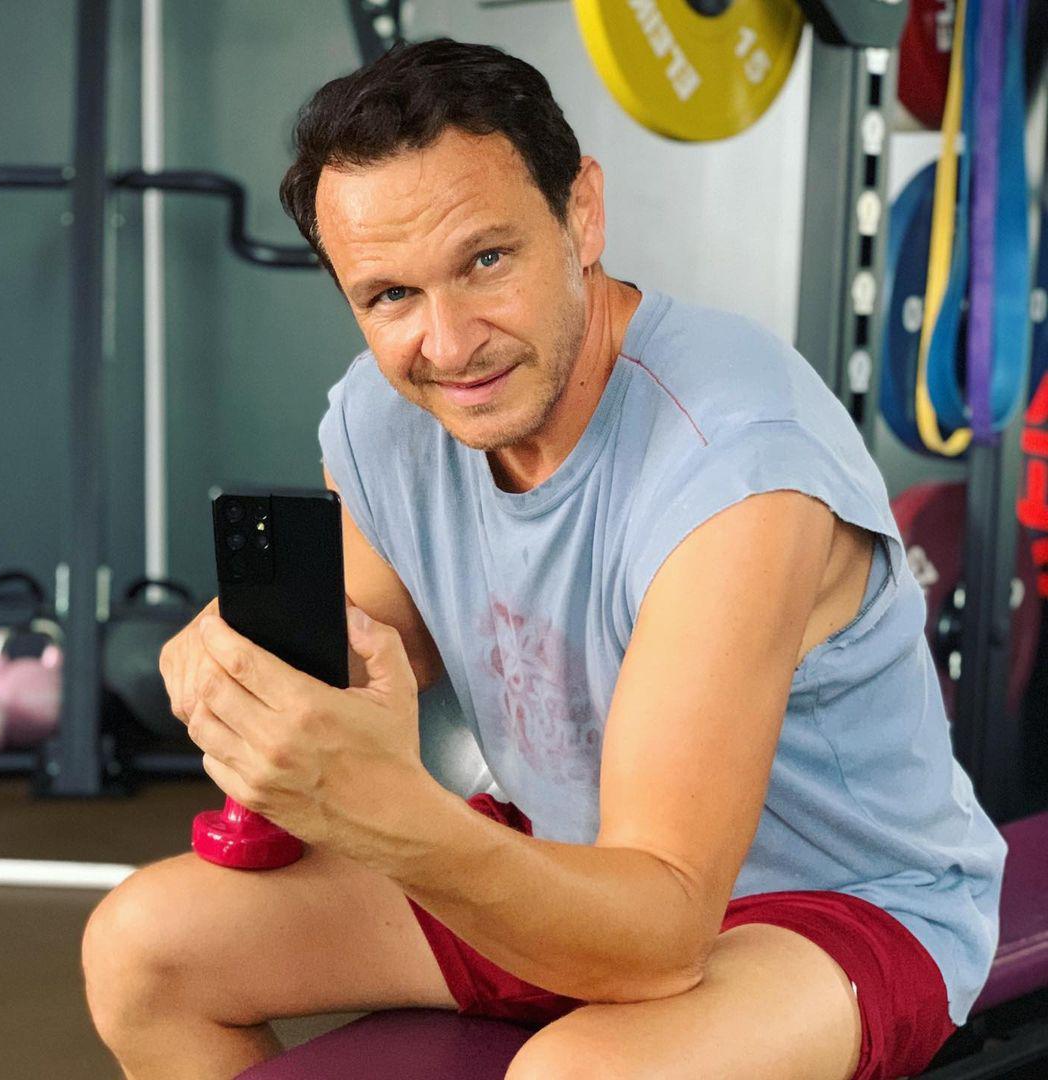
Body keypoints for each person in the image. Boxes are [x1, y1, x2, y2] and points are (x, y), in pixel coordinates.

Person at [82, 38, 1007, 1080]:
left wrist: (387, 808)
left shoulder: (737, 467)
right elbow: (358, 653)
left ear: (583, 215)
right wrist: (244, 673)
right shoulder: (390, 419)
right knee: (145, 952)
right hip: (573, 861)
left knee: (576, 1076)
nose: (449, 343)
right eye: (389, 296)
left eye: (486, 261)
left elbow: (661, 931)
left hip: (829, 906)